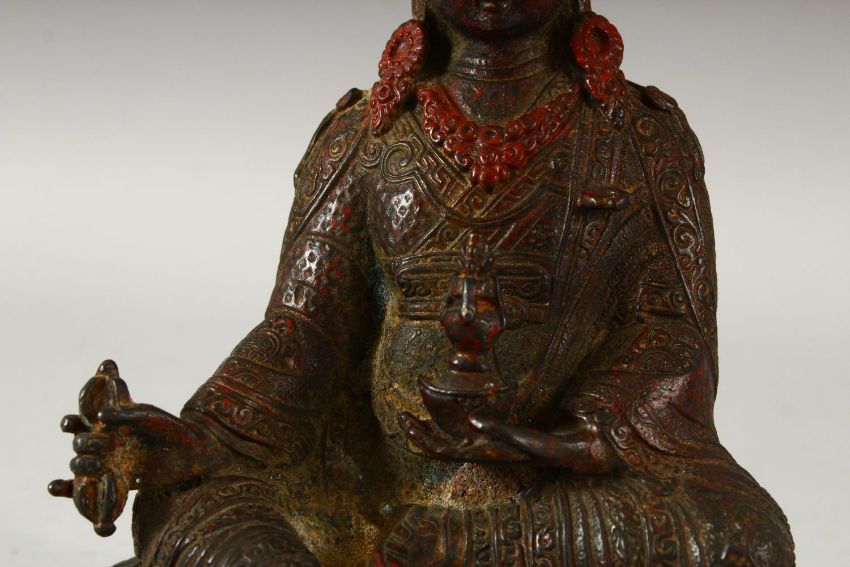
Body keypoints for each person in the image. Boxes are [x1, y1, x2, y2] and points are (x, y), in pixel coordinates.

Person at [50, 1, 795, 565]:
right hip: (367, 484)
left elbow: (672, 333)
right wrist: (201, 440)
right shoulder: (365, 139)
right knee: (195, 503)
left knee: (748, 536)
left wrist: (564, 440)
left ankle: (484, 543)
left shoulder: (641, 139)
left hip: (555, 487)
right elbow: (301, 330)